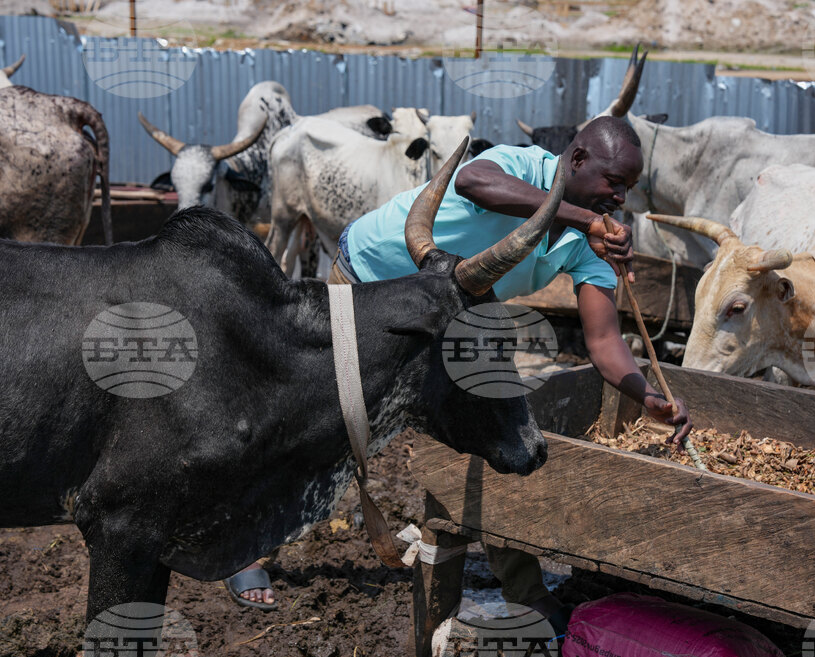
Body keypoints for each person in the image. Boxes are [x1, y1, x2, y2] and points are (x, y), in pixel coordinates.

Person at [226, 116, 693, 621]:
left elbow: (603, 342)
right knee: (316, 422)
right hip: (369, 283)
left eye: (628, 189)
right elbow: (473, 181)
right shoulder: (524, 166)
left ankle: (525, 590)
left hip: (451, 316)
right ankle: (243, 544)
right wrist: (582, 217)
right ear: (576, 160)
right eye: (614, 183)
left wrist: (646, 396)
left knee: (498, 428)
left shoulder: (592, 246)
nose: (620, 199)